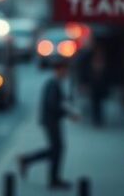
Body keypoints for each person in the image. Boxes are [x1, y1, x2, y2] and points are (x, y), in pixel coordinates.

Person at [18, 59, 79, 190]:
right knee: (57, 149)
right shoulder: (53, 84)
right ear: (60, 70)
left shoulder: (54, 83)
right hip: (51, 121)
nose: (66, 73)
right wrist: (69, 114)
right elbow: (53, 105)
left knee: (55, 149)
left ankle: (28, 161)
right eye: (65, 70)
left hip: (51, 120)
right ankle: (52, 179)